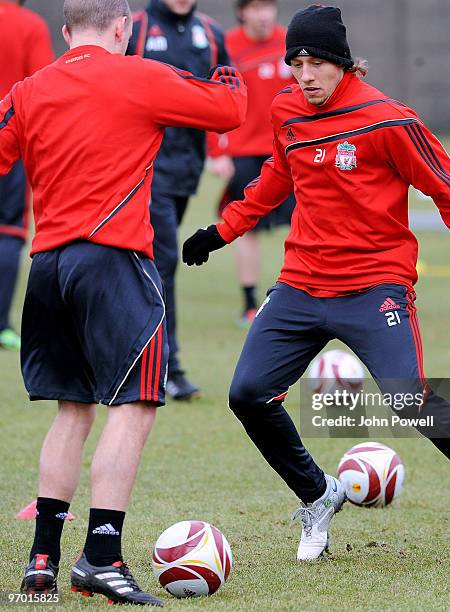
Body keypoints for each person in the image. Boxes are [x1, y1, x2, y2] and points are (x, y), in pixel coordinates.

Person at [182, 5, 450, 562]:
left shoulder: (388, 119)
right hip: (300, 284)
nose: (304, 75)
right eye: (295, 62)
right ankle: (318, 494)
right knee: (246, 395)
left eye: (316, 61)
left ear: (342, 63)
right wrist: (221, 231)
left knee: (408, 400)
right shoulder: (286, 110)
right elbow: (277, 176)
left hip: (376, 287)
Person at [0, 0, 245, 602]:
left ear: (64, 32)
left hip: (48, 266)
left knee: (71, 410)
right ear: (123, 27)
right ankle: (102, 557)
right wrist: (226, 68)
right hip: (114, 263)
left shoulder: (29, 90)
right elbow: (229, 111)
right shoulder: (141, 74)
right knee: (133, 408)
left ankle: (42, 563)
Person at [127, 0, 231, 401]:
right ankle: (166, 366)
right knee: (163, 261)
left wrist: (221, 146)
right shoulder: (134, 28)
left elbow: (228, 88)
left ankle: (146, 356)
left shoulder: (211, 32)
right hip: (144, 168)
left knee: (155, 263)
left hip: (186, 170)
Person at [208, 0, 295, 326]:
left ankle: (305, 293)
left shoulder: (290, 41)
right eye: (255, 8)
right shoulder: (227, 46)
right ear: (242, 11)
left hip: (289, 149)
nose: (263, 14)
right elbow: (212, 97)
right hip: (244, 151)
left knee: (309, 220)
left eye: (268, 6)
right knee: (245, 227)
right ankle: (249, 302)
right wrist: (217, 152)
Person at [0, 0, 54, 351]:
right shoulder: (29, 24)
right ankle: (1, 324)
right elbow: (44, 85)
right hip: (11, 140)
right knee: (8, 229)